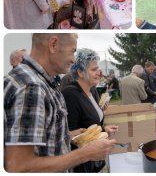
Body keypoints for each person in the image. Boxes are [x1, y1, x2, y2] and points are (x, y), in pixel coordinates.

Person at [4, 34, 115, 172]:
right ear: (53, 44)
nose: (73, 59)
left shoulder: (41, 82)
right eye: (72, 51)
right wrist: (86, 153)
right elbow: (18, 166)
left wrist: (68, 135)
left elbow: (43, 140)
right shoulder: (32, 87)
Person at [62, 48, 118, 172]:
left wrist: (104, 129)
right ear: (80, 72)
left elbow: (89, 123)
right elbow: (70, 135)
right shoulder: (70, 95)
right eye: (94, 70)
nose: (99, 72)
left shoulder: (91, 90)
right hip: (81, 165)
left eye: (98, 69)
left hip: (94, 160)